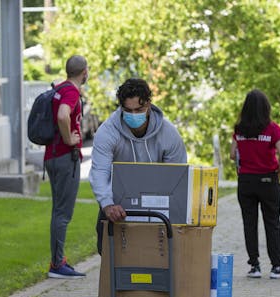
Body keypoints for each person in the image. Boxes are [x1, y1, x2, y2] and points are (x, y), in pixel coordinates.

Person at [89, 78, 187, 254]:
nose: (134, 115)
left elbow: (177, 176)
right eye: (128, 110)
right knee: (108, 251)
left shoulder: (169, 134)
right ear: (121, 108)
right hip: (117, 202)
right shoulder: (107, 132)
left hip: (157, 203)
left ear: (149, 104)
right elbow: (100, 171)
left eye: (139, 110)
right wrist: (107, 204)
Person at [229, 89, 280, 279]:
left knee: (250, 223)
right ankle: (276, 267)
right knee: (272, 222)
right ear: (266, 108)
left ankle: (254, 266)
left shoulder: (239, 130)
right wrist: (279, 172)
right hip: (268, 180)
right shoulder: (273, 129)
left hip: (246, 181)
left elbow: (232, 155)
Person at [45, 55, 89, 279]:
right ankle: (57, 265)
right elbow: (64, 115)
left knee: (58, 211)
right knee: (63, 212)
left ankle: (57, 260)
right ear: (84, 71)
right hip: (64, 158)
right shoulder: (71, 92)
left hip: (52, 158)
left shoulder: (59, 88)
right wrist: (70, 140)